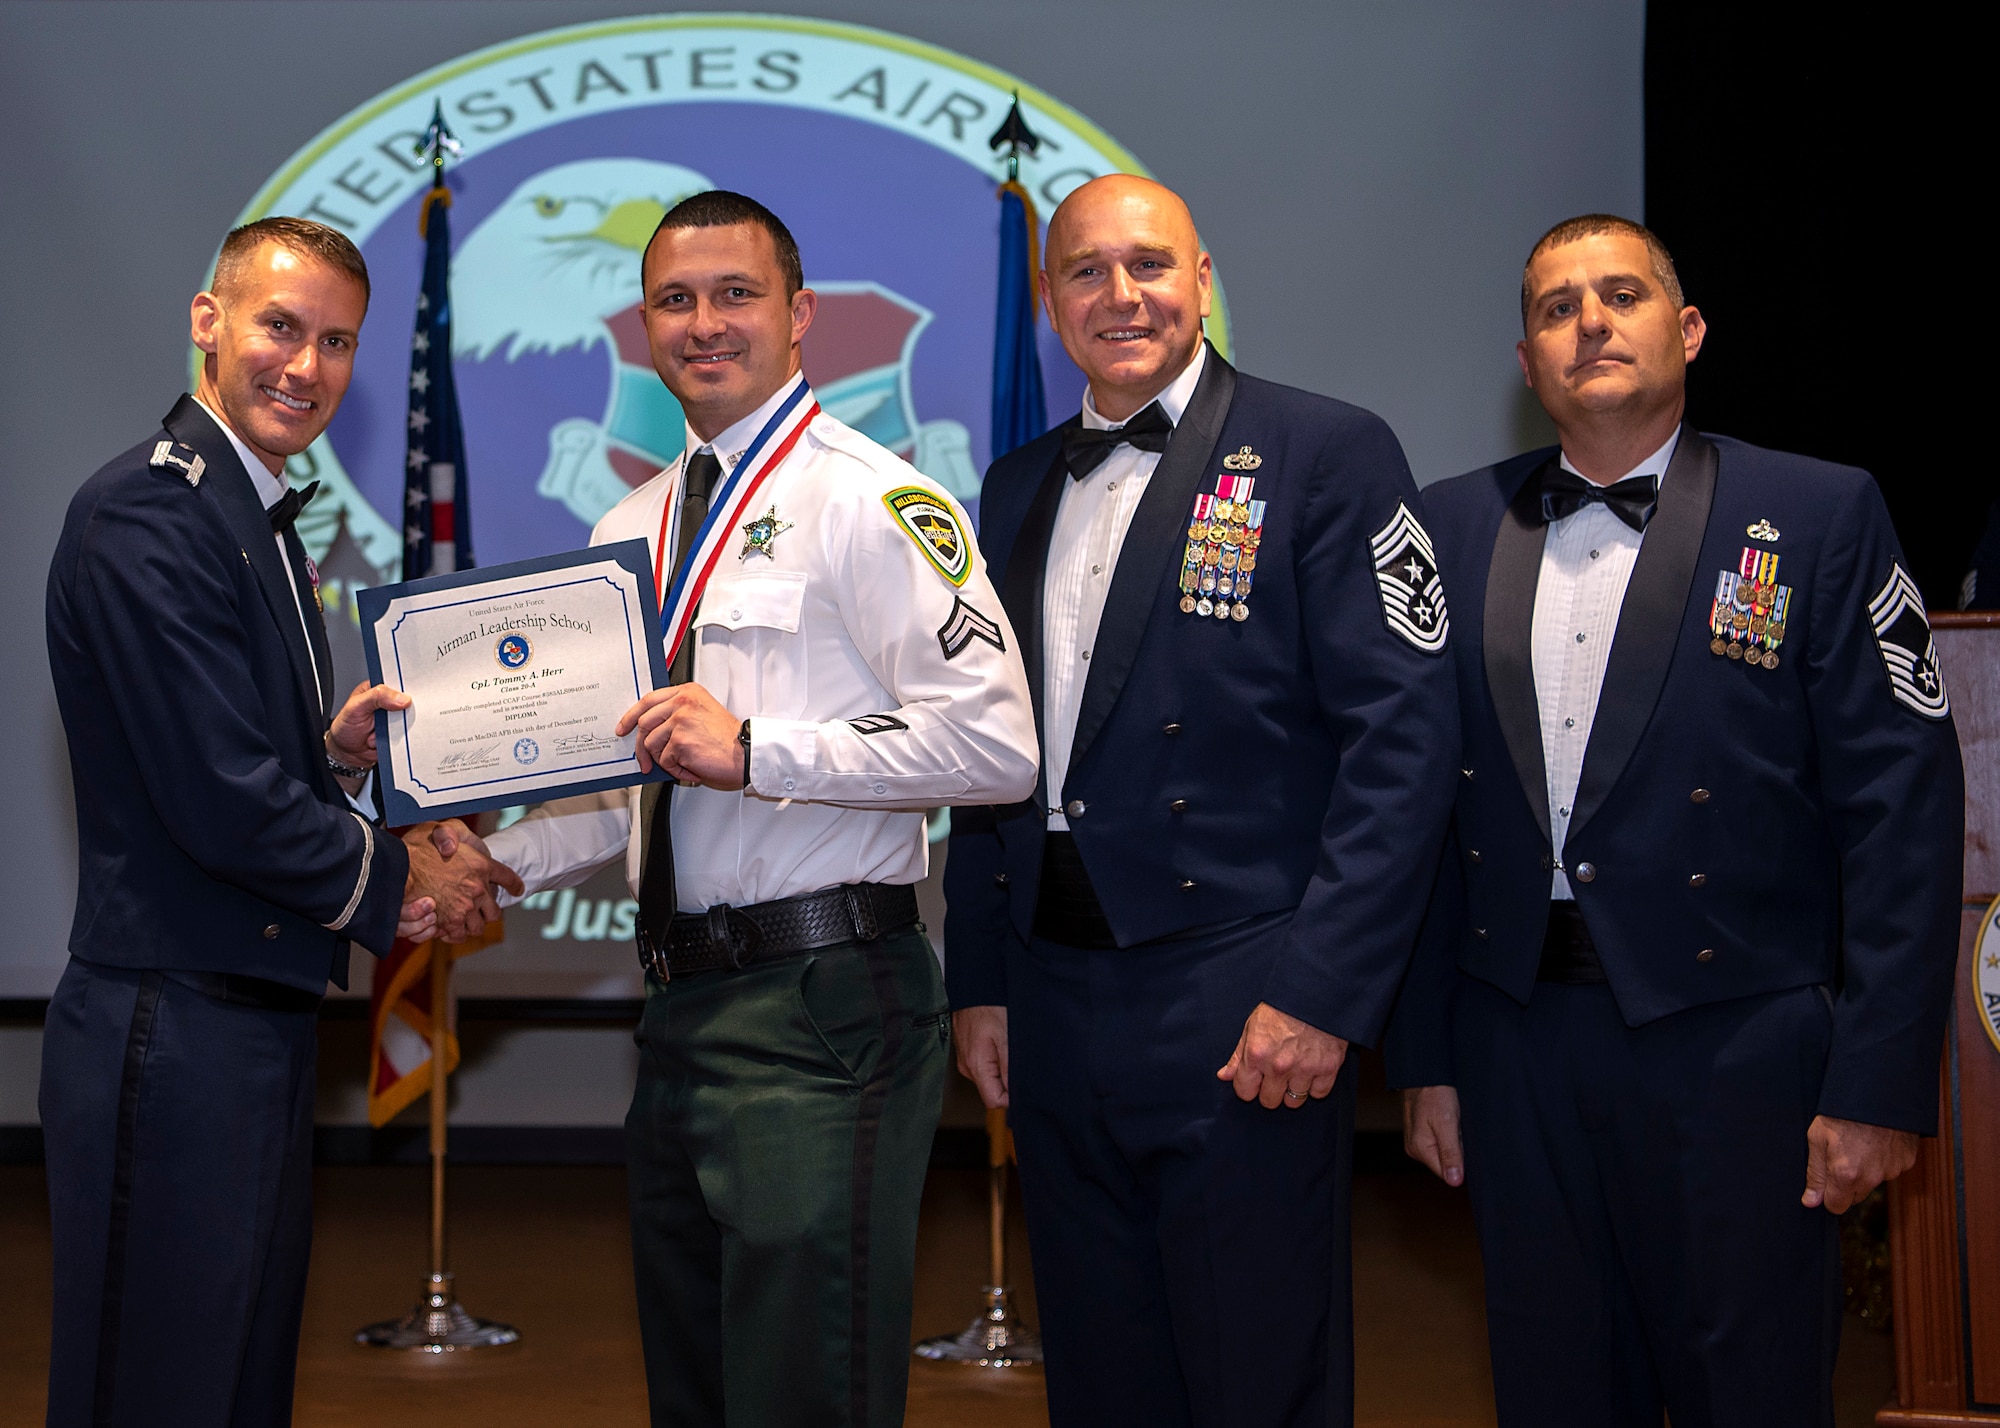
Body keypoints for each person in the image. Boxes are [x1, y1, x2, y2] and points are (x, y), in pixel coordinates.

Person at [461, 190, 1036, 1427]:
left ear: (800, 318)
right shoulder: (631, 524)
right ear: (644, 325)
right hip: (678, 1011)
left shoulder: (873, 500)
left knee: (801, 1388)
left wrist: (761, 747)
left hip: (821, 1007)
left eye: (735, 295)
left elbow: (994, 747)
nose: (703, 323)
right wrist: (490, 862)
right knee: (700, 1385)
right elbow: (630, 778)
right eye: (674, 299)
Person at [1388, 214, 1964, 1426]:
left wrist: (1876, 1082)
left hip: (1736, 1048)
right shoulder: (1446, 525)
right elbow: (1422, 812)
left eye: (1619, 295)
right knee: (1550, 1385)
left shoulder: (1815, 512)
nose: (1588, 323)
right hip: (1513, 1045)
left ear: (1686, 330)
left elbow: (1901, 817)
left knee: (1744, 1388)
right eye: (1556, 308)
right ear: (1525, 357)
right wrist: (1427, 1059)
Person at [942, 174, 1460, 1427]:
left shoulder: (1323, 450)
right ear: (1049, 299)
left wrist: (1321, 994)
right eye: (1085, 271)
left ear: (1202, 278)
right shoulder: (1008, 488)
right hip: (1054, 993)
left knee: (1253, 1371)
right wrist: (979, 977)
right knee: (1102, 1369)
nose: (1120, 296)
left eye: (1149, 265)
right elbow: (981, 755)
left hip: (1243, 1000)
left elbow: (1402, 743)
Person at [42, 216, 518, 1428]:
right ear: (209, 322)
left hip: (239, 1023)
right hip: (174, 1020)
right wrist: (411, 881)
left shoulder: (249, 521)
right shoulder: (152, 516)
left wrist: (329, 759)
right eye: (280, 327)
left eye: (337, 342)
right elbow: (215, 799)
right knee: (160, 1387)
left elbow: (231, 768)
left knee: (235, 1379)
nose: (305, 367)